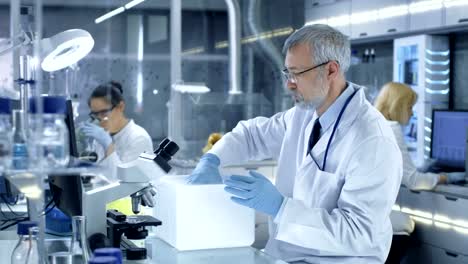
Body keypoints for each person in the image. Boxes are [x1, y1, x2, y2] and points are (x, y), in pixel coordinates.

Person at [187, 24, 403, 263]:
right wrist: (212, 160)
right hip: (286, 256)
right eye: (287, 73)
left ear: (331, 70)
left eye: (296, 73)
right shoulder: (304, 114)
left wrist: (281, 208)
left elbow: (359, 233)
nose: (289, 83)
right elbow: (250, 135)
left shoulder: (372, 139)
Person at [374, 82, 465, 263]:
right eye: (409, 107)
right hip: (375, 220)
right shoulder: (392, 128)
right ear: (398, 105)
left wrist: (423, 168)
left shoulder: (376, 123)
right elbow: (413, 181)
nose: (412, 113)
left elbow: (395, 170)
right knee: (407, 222)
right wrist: (447, 178)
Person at [81, 81, 153, 180]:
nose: (100, 119)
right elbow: (95, 174)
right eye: (95, 114)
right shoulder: (101, 137)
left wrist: (109, 146)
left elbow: (122, 182)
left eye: (104, 112)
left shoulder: (139, 138)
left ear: (120, 107)